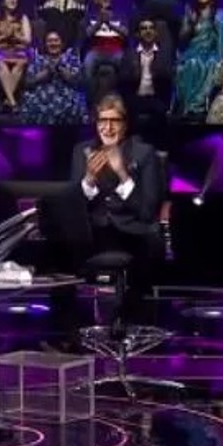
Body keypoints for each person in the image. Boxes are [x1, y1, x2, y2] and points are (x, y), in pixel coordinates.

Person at [48, 93, 165, 344]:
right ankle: (68, 334)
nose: (108, 128)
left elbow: (147, 211)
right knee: (55, 250)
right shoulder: (82, 152)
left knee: (150, 245)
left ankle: (124, 322)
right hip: (93, 233)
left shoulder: (144, 154)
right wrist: (88, 181)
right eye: (103, 120)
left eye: (115, 121)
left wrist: (123, 174)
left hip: (131, 233)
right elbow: (73, 206)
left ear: (126, 124)